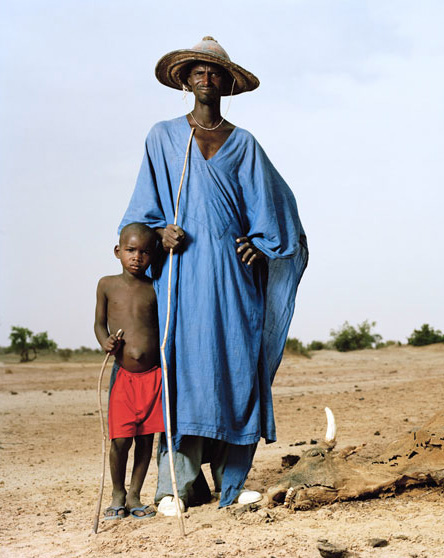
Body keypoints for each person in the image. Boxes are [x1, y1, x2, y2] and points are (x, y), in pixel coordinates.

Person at [119, 37, 307, 512]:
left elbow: (277, 209)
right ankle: (174, 486)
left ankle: (233, 480)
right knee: (185, 373)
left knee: (236, 370)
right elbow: (139, 214)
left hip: (235, 277)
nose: (206, 77)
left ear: (227, 82)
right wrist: (160, 237)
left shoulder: (244, 144)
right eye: (198, 71)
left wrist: (261, 245)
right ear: (186, 81)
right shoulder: (163, 137)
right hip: (182, 275)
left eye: (215, 71)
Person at [94, 222, 164, 520]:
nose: (137, 257)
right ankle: (117, 493)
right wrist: (105, 341)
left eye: (145, 252)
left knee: (146, 440)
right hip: (124, 375)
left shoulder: (154, 288)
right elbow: (99, 324)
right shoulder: (107, 284)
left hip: (154, 376)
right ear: (117, 251)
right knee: (120, 440)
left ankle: (135, 495)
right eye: (131, 250)